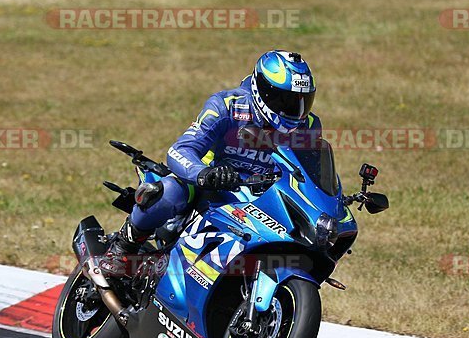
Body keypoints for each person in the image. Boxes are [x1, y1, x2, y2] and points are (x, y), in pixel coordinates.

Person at [98, 50, 322, 277]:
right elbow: (180, 150)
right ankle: (123, 248)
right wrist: (204, 173)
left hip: (264, 198)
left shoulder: (310, 126)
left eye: (303, 101)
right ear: (262, 89)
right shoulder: (228, 105)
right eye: (285, 100)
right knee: (170, 192)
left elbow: (310, 171)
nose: (296, 110)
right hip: (208, 185)